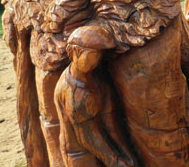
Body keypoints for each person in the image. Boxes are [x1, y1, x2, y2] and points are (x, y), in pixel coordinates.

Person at [54, 25, 138, 167]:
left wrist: (124, 154)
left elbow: (109, 121)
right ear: (75, 52)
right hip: (81, 156)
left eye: (100, 54)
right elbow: (87, 136)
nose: (98, 60)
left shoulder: (94, 78)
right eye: (93, 54)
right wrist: (114, 161)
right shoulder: (74, 93)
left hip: (101, 148)